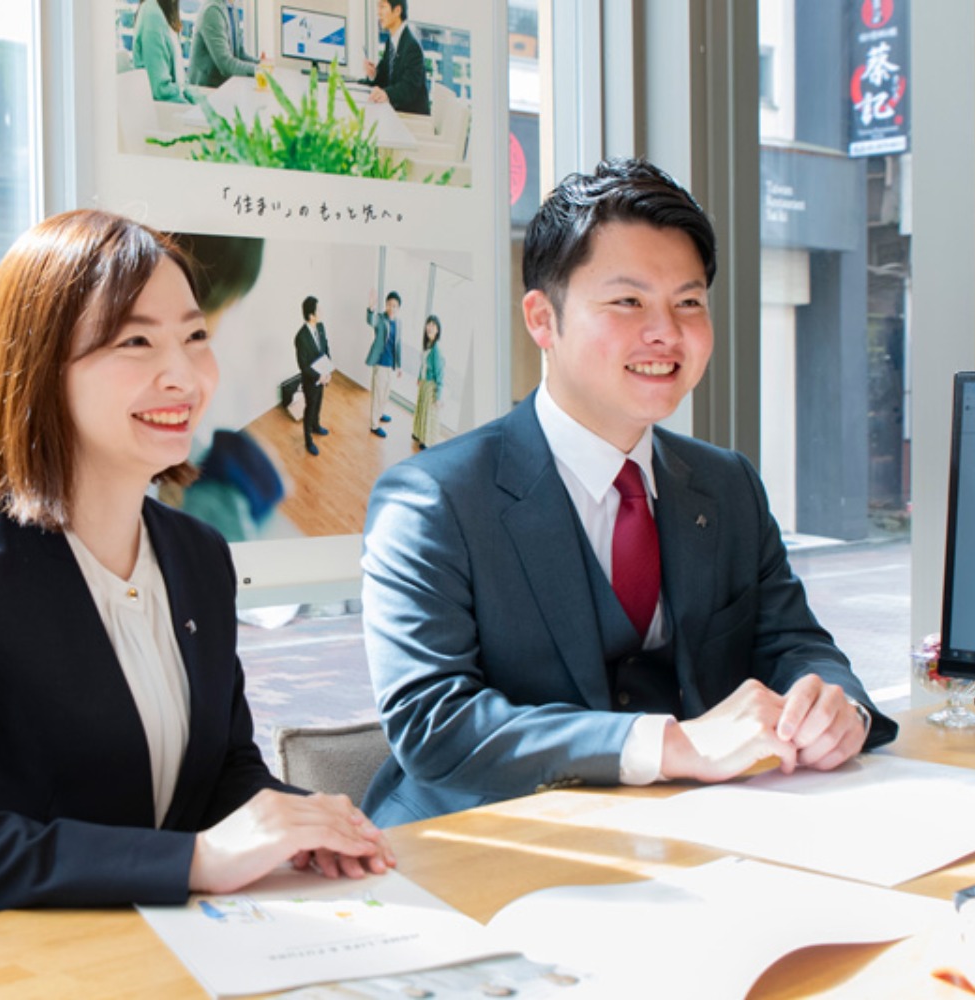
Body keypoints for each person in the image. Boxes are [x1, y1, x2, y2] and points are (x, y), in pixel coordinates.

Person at [0, 210, 392, 933]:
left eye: (194, 338)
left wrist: (297, 823)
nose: (184, 376)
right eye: (136, 342)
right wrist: (197, 860)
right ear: (41, 366)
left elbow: (220, 769)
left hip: (159, 941)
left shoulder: (198, 554)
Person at [359, 157, 897, 826]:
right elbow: (434, 722)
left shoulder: (727, 484)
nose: (666, 333)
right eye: (628, 302)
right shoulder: (432, 500)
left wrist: (840, 706)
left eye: (688, 302)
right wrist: (671, 745)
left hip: (691, 833)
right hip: (480, 844)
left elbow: (795, 644)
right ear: (542, 319)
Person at [364, 0, 430, 116]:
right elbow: (384, 79)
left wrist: (386, 94)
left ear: (397, 11)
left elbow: (409, 88)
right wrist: (373, 74)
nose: (378, 13)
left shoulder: (411, 46)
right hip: (396, 111)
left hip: (412, 117)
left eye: (382, 7)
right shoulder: (391, 42)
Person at [189, 0, 261, 89]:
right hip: (206, 90)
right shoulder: (212, 11)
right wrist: (260, 70)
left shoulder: (231, 8)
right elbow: (225, 65)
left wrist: (261, 63)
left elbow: (239, 54)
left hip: (224, 86)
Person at [133, 0, 194, 104]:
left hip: (173, 105)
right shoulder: (152, 15)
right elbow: (160, 91)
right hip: (163, 109)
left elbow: (181, 83)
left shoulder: (164, 11)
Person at [295, 295, 333, 457]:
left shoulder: (321, 327)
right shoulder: (301, 338)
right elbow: (303, 366)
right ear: (311, 315)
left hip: (323, 377)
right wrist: (319, 377)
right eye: (318, 310)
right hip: (311, 380)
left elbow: (326, 349)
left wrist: (328, 370)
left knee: (318, 404)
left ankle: (316, 426)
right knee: (310, 408)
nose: (321, 312)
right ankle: (308, 440)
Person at [365, 288, 403, 438]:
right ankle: (374, 425)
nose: (391, 308)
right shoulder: (381, 319)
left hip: (390, 365)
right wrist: (371, 308)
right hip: (380, 363)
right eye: (389, 304)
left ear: (398, 308)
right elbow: (371, 321)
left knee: (386, 393)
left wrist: (399, 365)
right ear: (386, 305)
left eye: (394, 306)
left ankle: (380, 414)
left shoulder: (398, 323)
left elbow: (398, 345)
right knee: (378, 394)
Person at [412, 314, 444, 450]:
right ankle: (418, 433)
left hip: (431, 386)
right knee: (420, 409)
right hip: (424, 383)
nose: (430, 327)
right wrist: (419, 377)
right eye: (429, 324)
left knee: (428, 413)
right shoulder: (427, 345)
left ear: (437, 330)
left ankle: (426, 440)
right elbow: (423, 364)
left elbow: (440, 376)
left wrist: (438, 397)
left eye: (433, 325)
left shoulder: (436, 351)